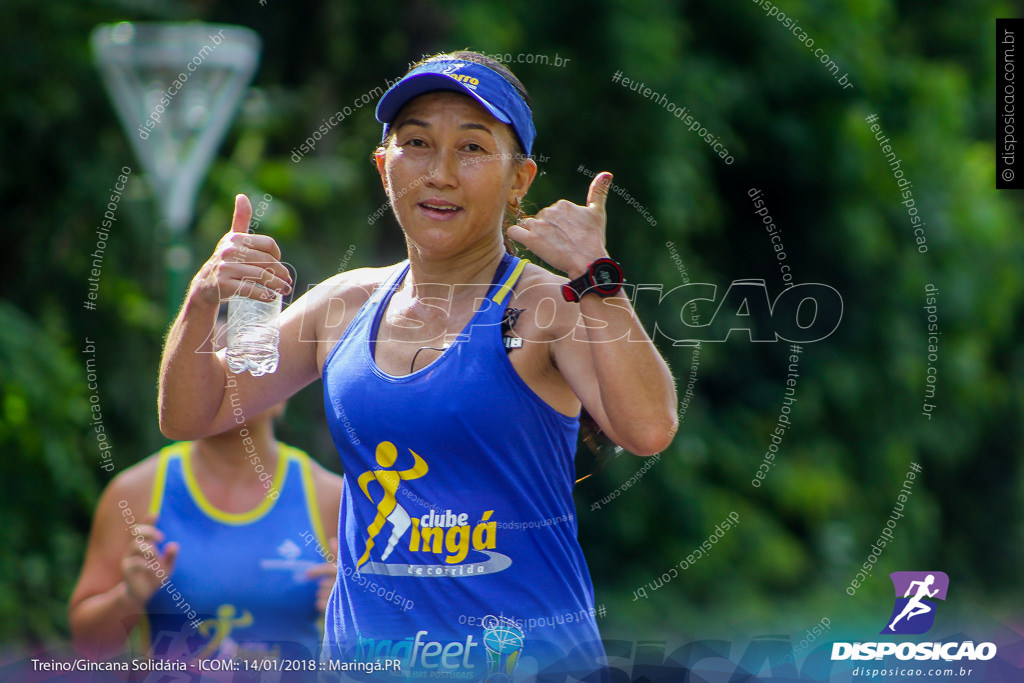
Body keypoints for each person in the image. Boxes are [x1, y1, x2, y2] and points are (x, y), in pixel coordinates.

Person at [157, 50, 678, 679]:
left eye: (474, 148)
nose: (441, 173)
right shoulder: (343, 305)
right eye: (417, 143)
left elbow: (648, 429)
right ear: (384, 167)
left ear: (520, 180)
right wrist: (205, 295)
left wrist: (596, 277)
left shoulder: (549, 306)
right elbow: (193, 413)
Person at [69, 318, 343, 664]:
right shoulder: (135, 493)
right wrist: (127, 597)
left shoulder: (333, 498)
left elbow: (388, 642)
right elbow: (86, 645)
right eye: (208, 364)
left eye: (244, 361)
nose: (224, 378)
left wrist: (352, 609)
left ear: (283, 390)